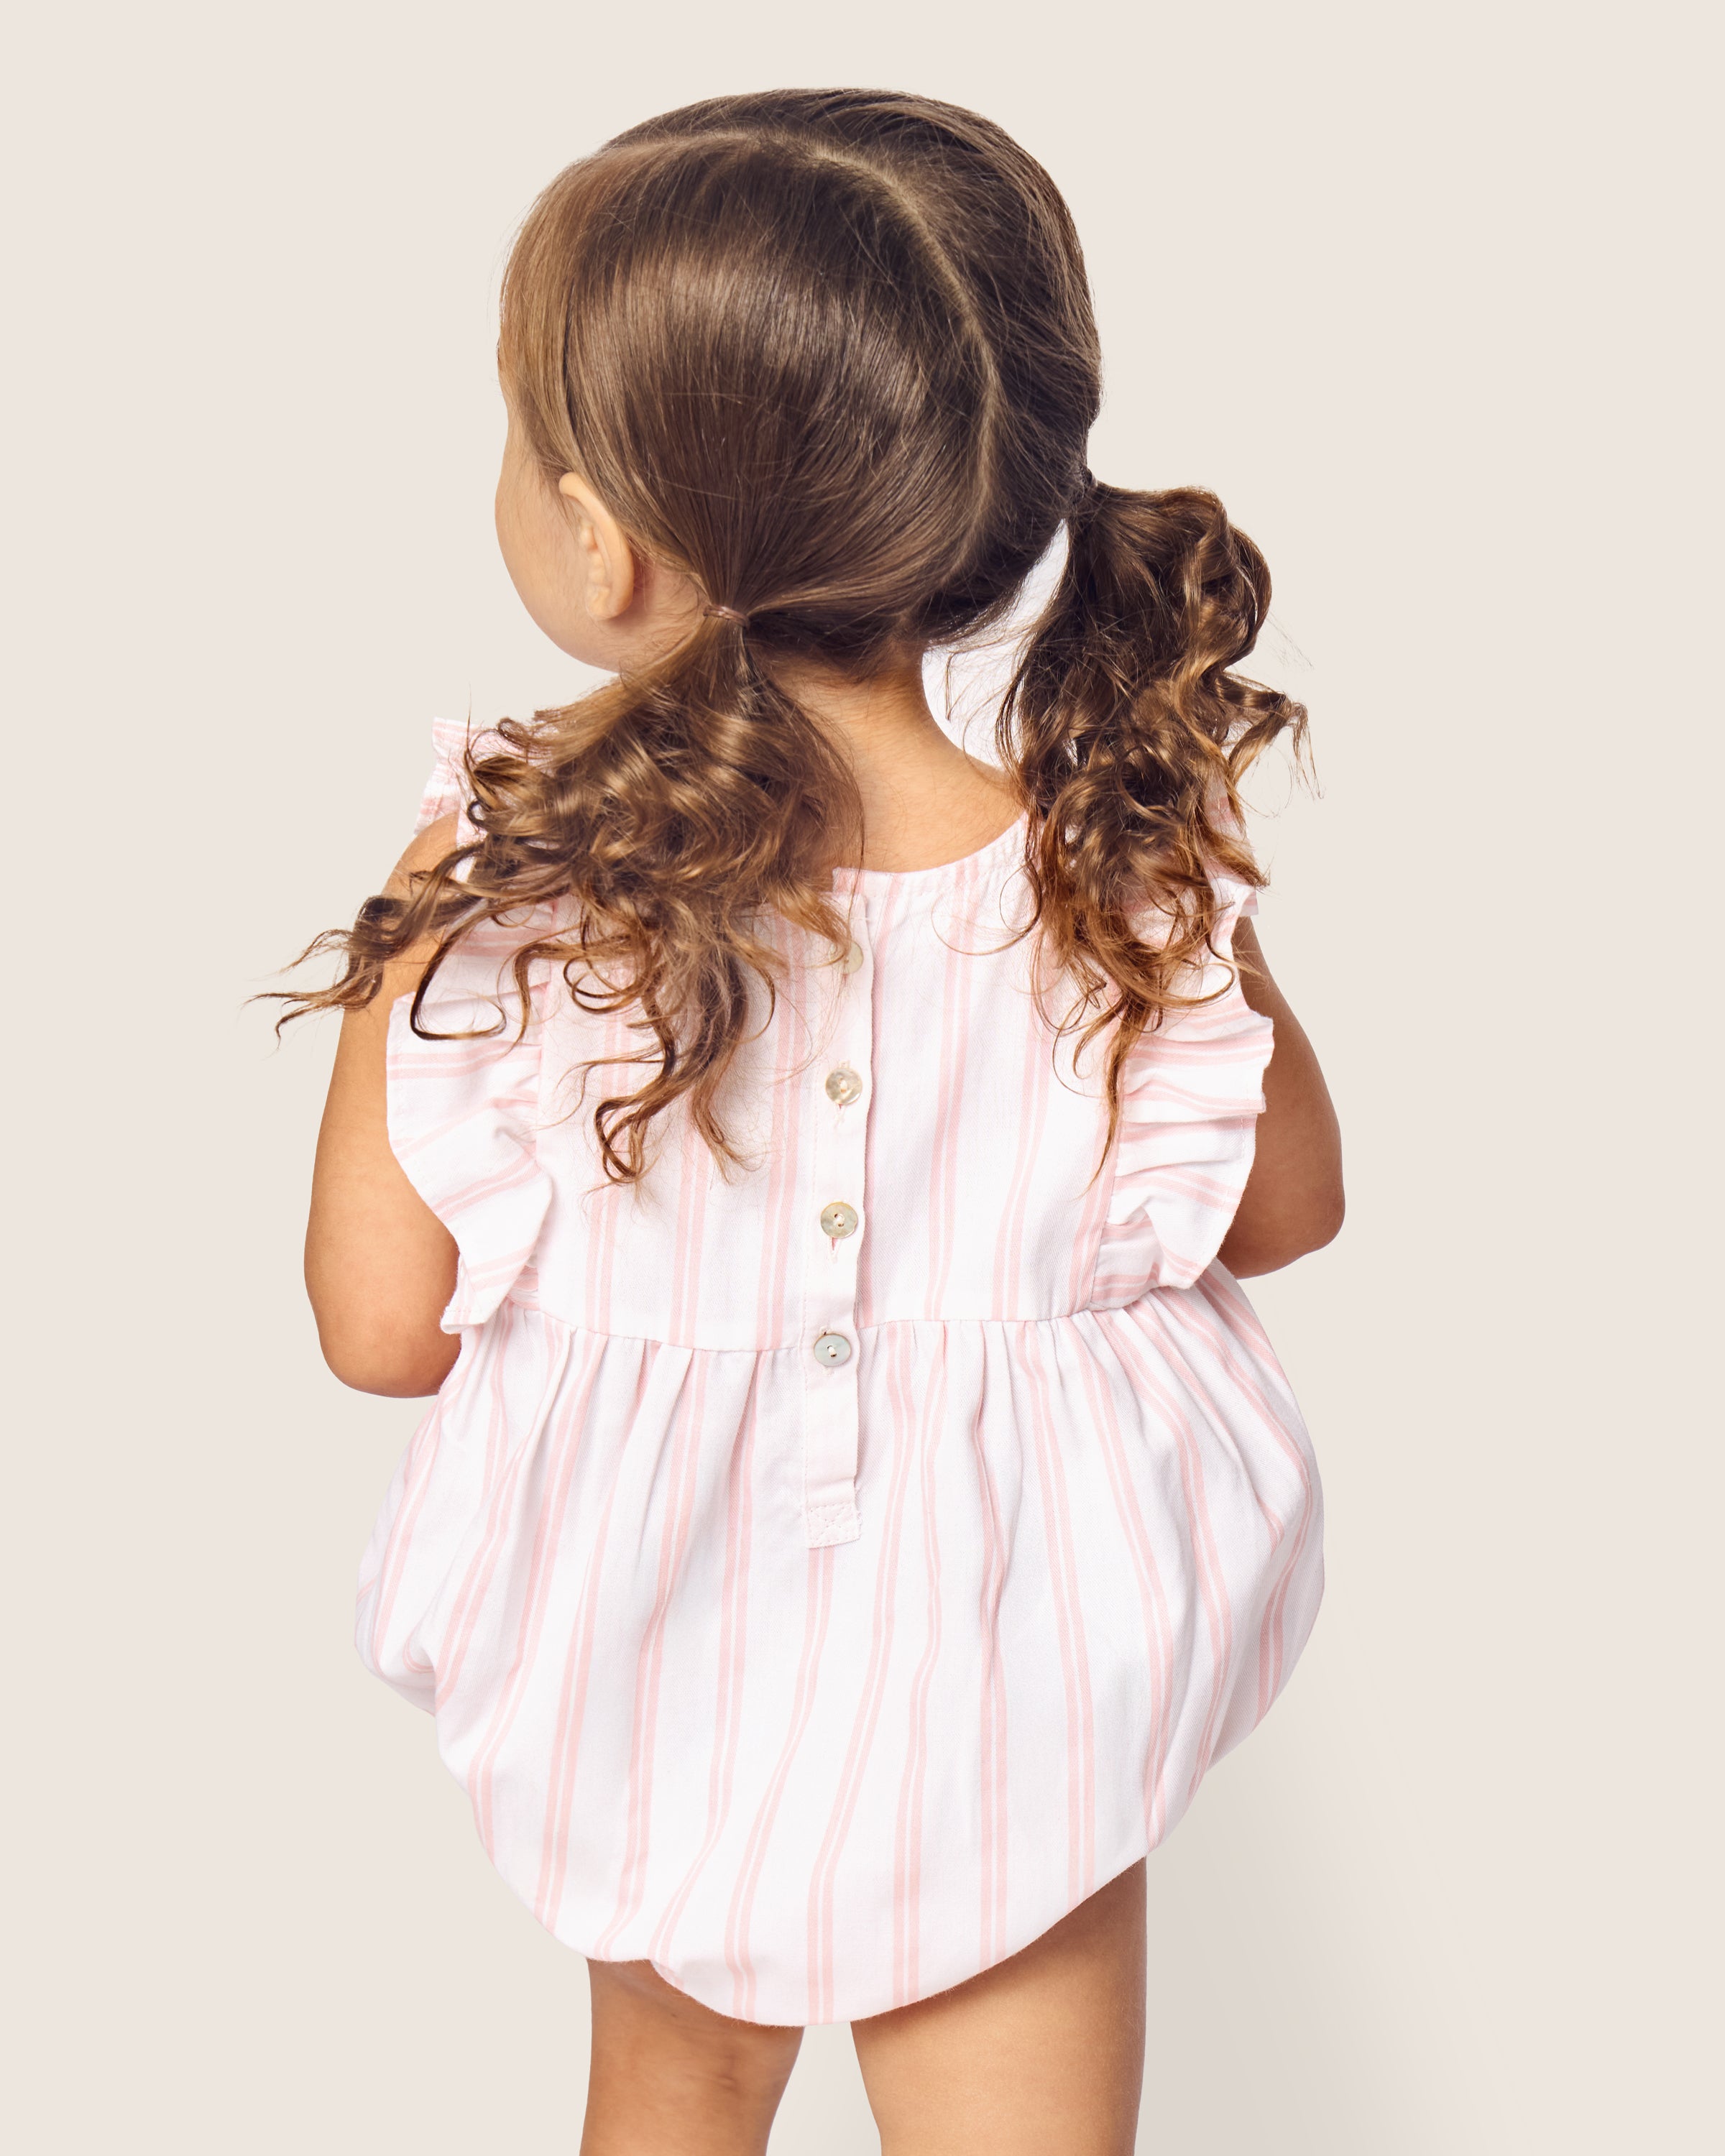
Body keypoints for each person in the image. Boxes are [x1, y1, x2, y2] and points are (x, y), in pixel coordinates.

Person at [291, 88, 1343, 2156]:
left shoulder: (514, 887)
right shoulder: (1106, 861)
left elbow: (378, 1328)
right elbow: (1287, 1205)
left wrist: (408, 952)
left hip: (663, 1627)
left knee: (670, 2109)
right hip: (1019, 1645)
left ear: (606, 537)